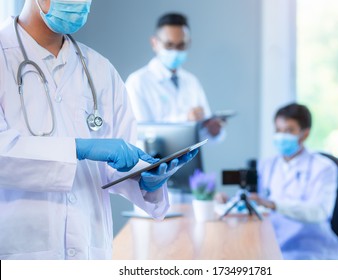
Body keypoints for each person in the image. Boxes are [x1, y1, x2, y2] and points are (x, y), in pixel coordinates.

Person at [0, 0, 196, 260]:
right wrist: (78, 149)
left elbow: (119, 161)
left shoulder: (100, 69)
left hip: (90, 252)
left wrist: (146, 179)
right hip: (20, 255)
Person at [216, 103, 338, 259]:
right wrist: (228, 203)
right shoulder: (266, 165)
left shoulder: (323, 168)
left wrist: (273, 204)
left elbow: (319, 211)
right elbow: (256, 203)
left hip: (310, 250)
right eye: (278, 130)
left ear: (305, 134)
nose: (282, 136)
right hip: (272, 246)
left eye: (289, 130)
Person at [125, 12, 224, 140]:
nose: (175, 51)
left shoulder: (192, 81)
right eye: (169, 45)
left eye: (181, 45)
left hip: (190, 158)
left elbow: (203, 136)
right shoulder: (137, 82)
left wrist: (213, 131)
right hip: (154, 160)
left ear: (189, 43)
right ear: (154, 43)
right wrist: (185, 120)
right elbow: (141, 134)